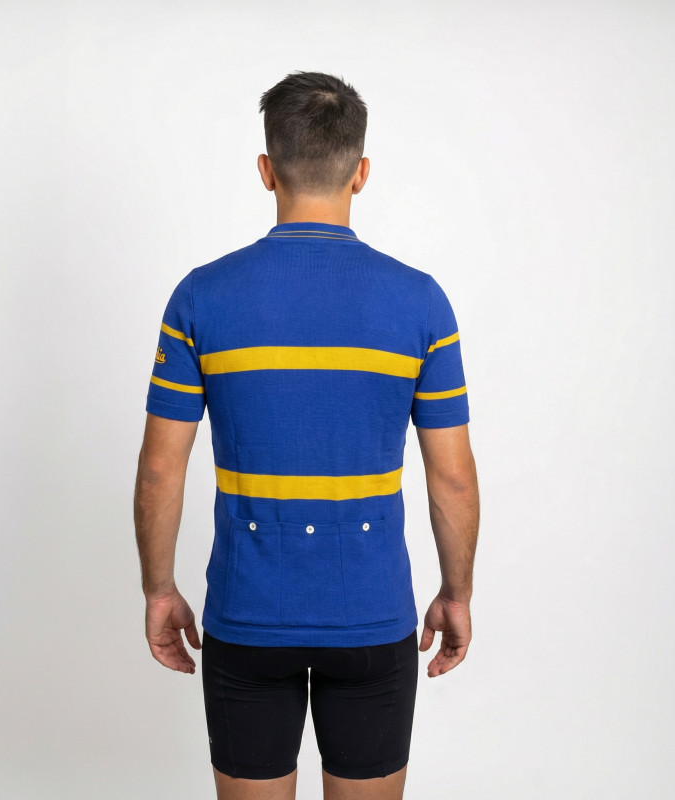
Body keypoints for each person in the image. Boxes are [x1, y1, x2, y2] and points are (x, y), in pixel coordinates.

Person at [134, 71, 479, 800]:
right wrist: (457, 592)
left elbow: (161, 469)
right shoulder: (421, 303)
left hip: (248, 616)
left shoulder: (200, 297)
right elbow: (451, 476)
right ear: (361, 173)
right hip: (372, 618)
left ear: (267, 170)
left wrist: (159, 590)